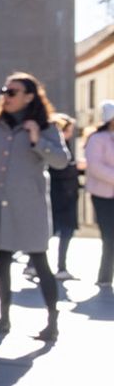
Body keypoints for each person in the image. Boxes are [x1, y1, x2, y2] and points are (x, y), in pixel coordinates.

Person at [0, 73, 69, 340]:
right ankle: (3, 318)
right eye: (4, 90)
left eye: (13, 91)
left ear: (29, 96)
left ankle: (52, 322)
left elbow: (62, 161)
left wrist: (37, 139)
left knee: (40, 261)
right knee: (1, 262)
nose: (6, 95)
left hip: (29, 205)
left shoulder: (47, 126)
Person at [47, 113, 81, 280]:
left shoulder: (61, 145)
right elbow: (60, 169)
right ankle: (60, 267)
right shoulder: (58, 147)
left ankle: (34, 265)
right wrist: (77, 167)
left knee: (53, 231)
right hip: (61, 195)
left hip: (63, 194)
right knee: (61, 232)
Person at [86, 100, 114, 289]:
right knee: (109, 236)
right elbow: (95, 166)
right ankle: (104, 276)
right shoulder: (97, 139)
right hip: (103, 195)